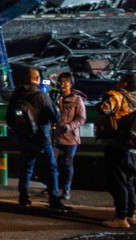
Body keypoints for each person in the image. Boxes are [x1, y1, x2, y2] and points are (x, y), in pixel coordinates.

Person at [5, 67, 67, 211]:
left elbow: (9, 118)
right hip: (41, 138)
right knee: (51, 168)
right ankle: (54, 200)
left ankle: (23, 198)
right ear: (38, 78)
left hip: (24, 137)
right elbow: (56, 117)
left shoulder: (16, 96)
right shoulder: (41, 96)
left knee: (26, 168)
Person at [97, 72, 136, 228]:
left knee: (118, 182)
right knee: (130, 182)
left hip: (117, 144)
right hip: (133, 147)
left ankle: (120, 218)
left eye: (120, 80)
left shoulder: (116, 95)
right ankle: (131, 214)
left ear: (124, 84)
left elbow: (104, 109)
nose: (118, 82)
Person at [52, 72, 87, 202]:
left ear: (71, 84)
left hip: (70, 137)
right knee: (52, 163)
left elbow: (82, 118)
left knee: (67, 164)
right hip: (55, 136)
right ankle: (52, 188)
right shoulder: (56, 98)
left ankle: (66, 189)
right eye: (61, 81)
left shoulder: (77, 99)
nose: (63, 84)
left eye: (66, 81)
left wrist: (70, 126)